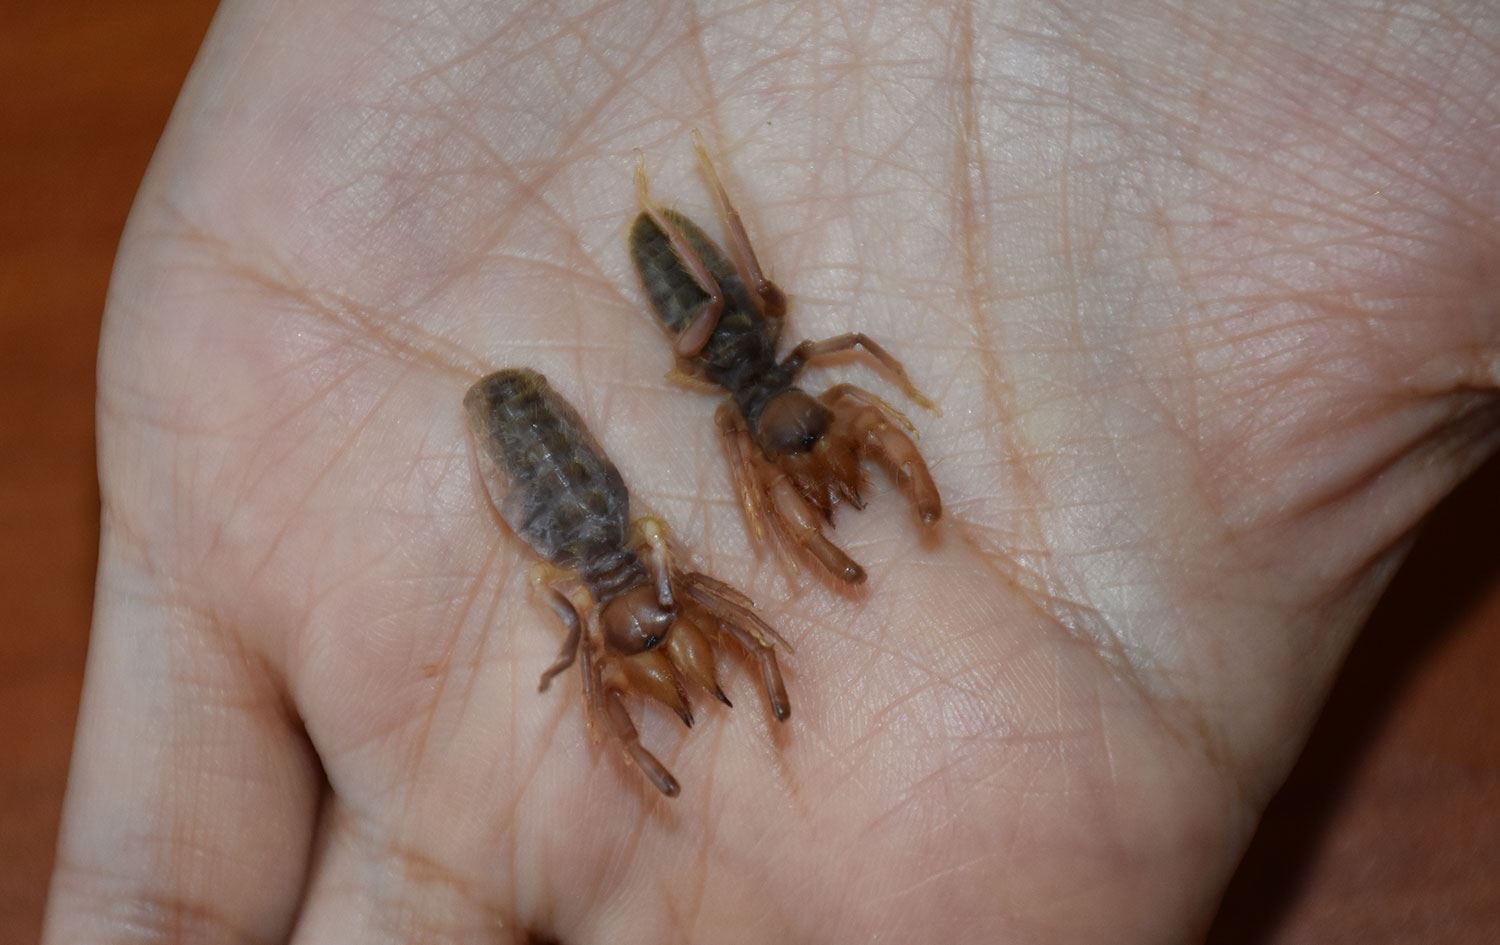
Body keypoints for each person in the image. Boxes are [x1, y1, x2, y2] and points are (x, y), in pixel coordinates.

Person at [42, 1, 1500, 941]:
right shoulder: (669, 526)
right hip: (620, 468)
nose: (673, 647)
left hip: (656, 444)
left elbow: (778, 497)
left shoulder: (735, 458)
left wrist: (812, 591)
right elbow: (719, 560)